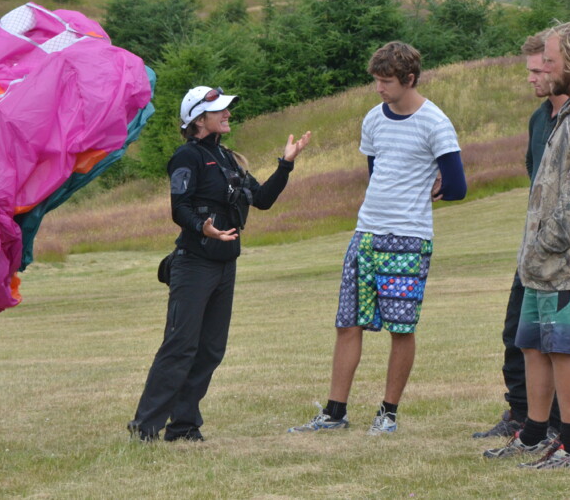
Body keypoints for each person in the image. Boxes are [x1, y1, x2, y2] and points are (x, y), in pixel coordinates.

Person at [288, 41, 466, 436]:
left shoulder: (435, 122)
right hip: (365, 234)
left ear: (410, 79)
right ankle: (335, 412)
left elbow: (457, 186)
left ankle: (388, 413)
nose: (379, 88)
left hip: (408, 238)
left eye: (386, 81)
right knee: (347, 324)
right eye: (377, 80)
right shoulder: (373, 118)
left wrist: (435, 185)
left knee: (400, 328)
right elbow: (376, 171)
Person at [128, 86, 311, 442]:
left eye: (227, 109)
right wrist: (203, 228)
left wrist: (286, 164)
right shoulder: (187, 157)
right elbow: (178, 209)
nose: (228, 114)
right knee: (180, 346)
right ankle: (145, 428)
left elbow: (262, 200)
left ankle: (183, 427)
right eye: (221, 111)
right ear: (199, 119)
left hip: (226, 264)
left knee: (211, 349)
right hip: (194, 264)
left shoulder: (228, 157)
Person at [483, 22, 570, 469]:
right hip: (541, 261)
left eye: (548, 59)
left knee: (564, 347)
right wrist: (533, 251)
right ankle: (531, 435)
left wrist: (547, 243)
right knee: (532, 343)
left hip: (569, 260)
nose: (542, 69)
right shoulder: (567, 112)